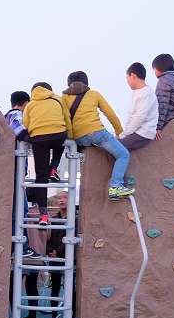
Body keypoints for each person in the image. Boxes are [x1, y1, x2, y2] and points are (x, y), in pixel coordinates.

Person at [62, 71, 131, 200]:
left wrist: (72, 138)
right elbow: (111, 115)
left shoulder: (63, 98)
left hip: (78, 139)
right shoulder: (93, 94)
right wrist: (119, 133)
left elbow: (65, 119)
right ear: (86, 83)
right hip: (96, 133)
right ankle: (116, 186)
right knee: (123, 154)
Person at [22, 82, 72, 224]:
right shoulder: (57, 99)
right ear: (49, 91)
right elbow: (67, 119)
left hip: (39, 139)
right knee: (61, 137)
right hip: (58, 135)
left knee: (40, 177)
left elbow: (26, 124)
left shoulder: (30, 105)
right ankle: (54, 167)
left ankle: (43, 215)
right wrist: (71, 137)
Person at [120, 62, 159, 151]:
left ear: (133, 76)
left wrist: (125, 134)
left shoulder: (147, 93)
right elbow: (131, 116)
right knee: (114, 143)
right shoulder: (137, 92)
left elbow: (139, 118)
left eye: (127, 78)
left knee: (116, 148)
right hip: (135, 132)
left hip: (143, 133)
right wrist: (123, 134)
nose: (127, 82)